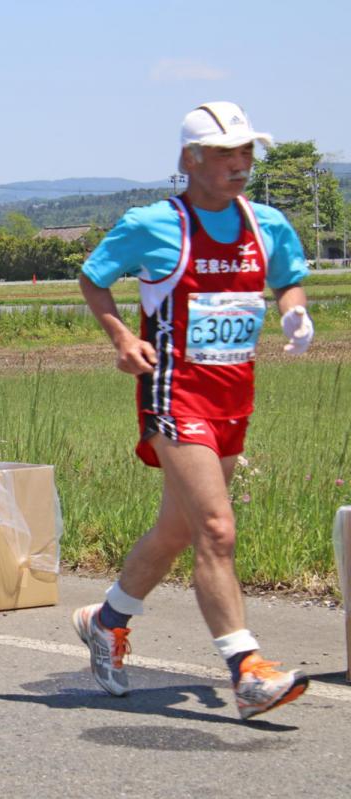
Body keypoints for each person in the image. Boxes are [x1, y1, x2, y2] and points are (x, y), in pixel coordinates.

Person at [74, 101, 314, 721]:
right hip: (174, 392)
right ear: (191, 159)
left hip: (234, 395)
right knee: (216, 529)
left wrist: (294, 309)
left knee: (179, 530)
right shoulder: (153, 224)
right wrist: (124, 339)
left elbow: (289, 276)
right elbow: (94, 277)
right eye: (226, 154)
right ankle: (248, 670)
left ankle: (106, 621)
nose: (240, 166)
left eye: (247, 153)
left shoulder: (267, 224)